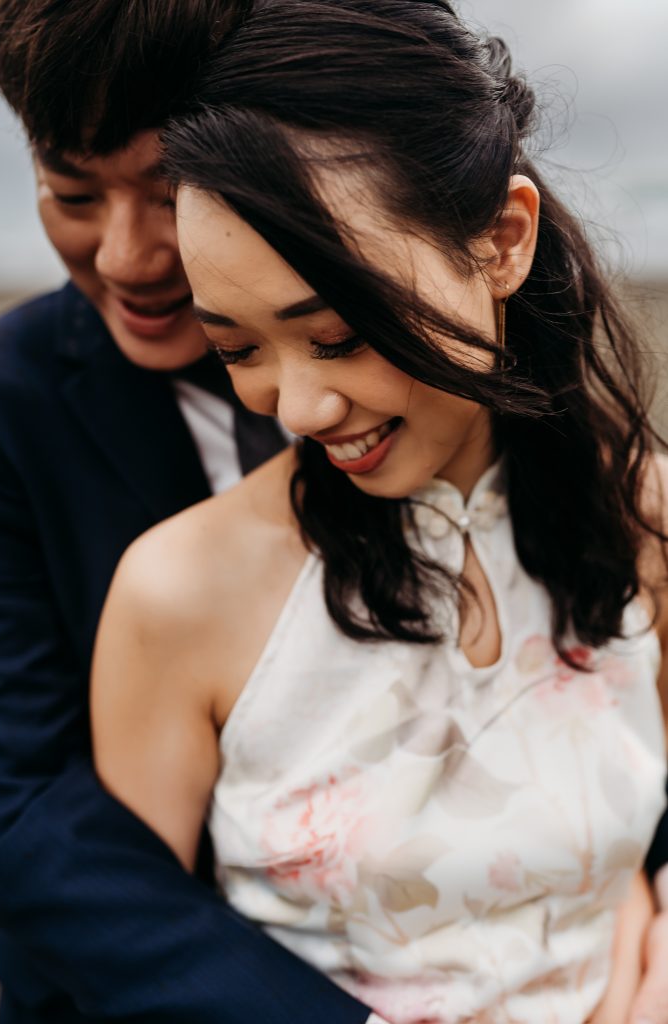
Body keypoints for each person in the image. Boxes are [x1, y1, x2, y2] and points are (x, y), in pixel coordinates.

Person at [91, 2, 668, 1022]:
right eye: (238, 348)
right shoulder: (179, 593)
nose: (299, 410)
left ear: (502, 242)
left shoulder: (642, 511)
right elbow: (128, 965)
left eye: (340, 333)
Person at [0, 2, 384, 1022]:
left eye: (170, 190)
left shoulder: (416, 372)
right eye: (71, 191)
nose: (129, 257)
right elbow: (22, 816)